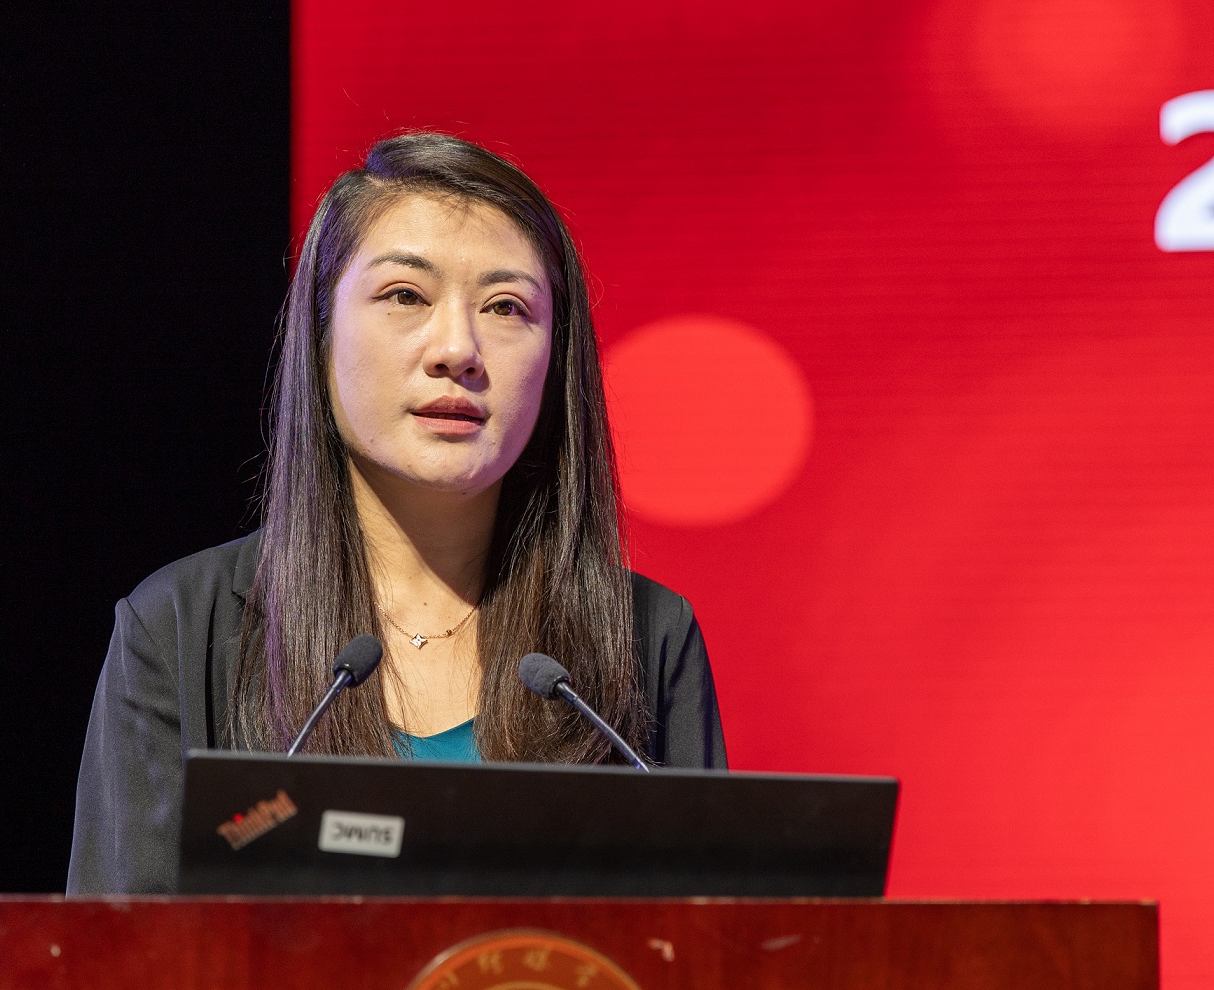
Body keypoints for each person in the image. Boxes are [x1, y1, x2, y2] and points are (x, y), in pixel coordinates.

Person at [66, 133, 725, 895]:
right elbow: (118, 954)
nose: (457, 349)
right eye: (405, 296)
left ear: (556, 360)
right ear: (320, 335)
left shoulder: (645, 634)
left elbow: (711, 944)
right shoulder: (183, 626)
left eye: (505, 307)